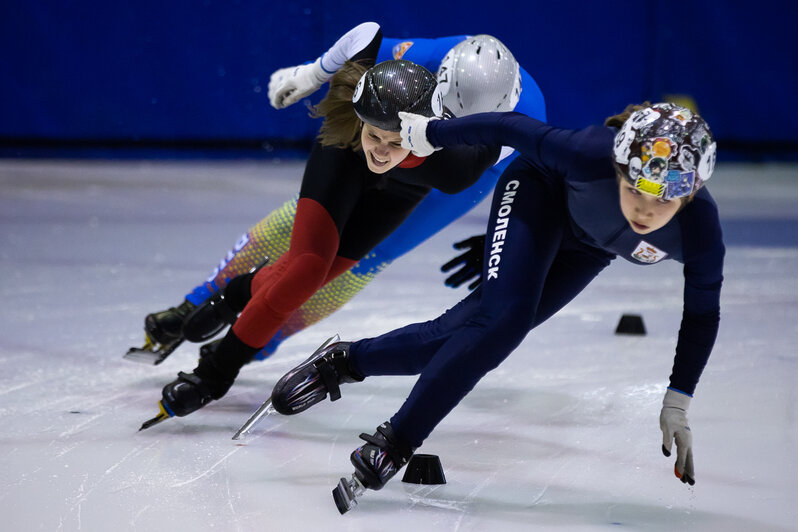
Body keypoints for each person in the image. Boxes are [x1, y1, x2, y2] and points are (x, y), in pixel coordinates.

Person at [269, 102, 722, 507]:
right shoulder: (588, 153)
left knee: (462, 336)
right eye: (632, 190)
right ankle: (397, 441)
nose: (643, 212)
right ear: (618, 169)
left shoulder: (701, 234)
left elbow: (702, 314)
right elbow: (508, 125)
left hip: (587, 248)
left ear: (689, 195)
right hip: (538, 190)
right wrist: (431, 134)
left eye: (661, 201)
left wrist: (678, 400)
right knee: (500, 325)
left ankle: (344, 362)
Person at [139, 52, 516, 429]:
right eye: (376, 135)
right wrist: (310, 73)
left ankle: (238, 293)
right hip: (344, 153)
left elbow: (522, 145)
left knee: (321, 275)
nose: (382, 151)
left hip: (404, 189)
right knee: (306, 268)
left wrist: (505, 231)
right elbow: (367, 32)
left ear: (423, 135)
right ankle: (216, 372)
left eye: (395, 142)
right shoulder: (367, 102)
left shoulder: (456, 166)